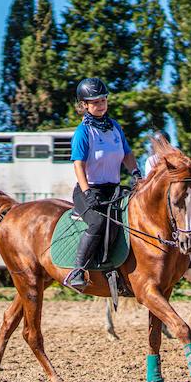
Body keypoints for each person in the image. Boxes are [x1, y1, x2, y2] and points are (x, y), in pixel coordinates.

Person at [64, 77, 142, 292]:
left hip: (113, 189)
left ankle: (123, 272)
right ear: (84, 105)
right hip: (89, 190)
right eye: (95, 102)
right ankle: (78, 270)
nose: (101, 105)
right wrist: (87, 192)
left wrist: (135, 172)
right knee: (98, 222)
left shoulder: (114, 127)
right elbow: (78, 165)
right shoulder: (83, 132)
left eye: (103, 100)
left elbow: (127, 154)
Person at [145, 146, 191, 319]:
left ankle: (190, 259)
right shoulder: (150, 161)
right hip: (156, 202)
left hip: (178, 203)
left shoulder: (178, 163)